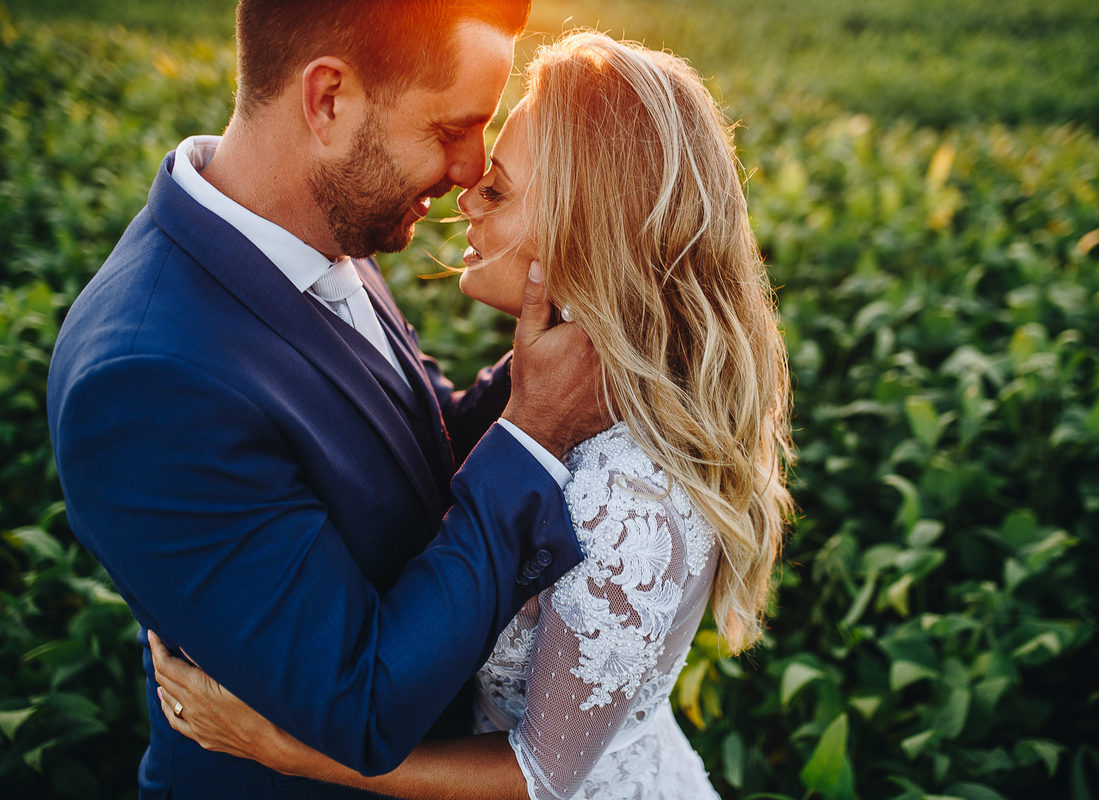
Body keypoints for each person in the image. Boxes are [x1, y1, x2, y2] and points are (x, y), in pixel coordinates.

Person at [149, 31, 794, 800]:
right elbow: (435, 431)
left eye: (497, 191)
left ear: (585, 231)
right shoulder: (579, 394)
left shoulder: (632, 503)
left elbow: (541, 779)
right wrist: (529, 403)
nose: (465, 197)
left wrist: (287, 751)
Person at [45, 3, 610, 798]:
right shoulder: (146, 382)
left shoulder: (322, 223)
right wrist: (534, 434)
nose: (471, 168)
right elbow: (363, 702)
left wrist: (572, 352)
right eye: (452, 129)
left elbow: (411, 446)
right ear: (329, 100)